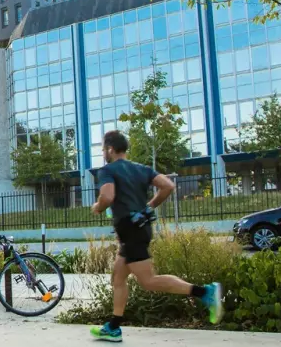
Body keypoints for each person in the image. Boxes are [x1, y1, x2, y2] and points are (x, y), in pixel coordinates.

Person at [88, 130, 223, 342]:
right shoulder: (141, 169)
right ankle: (113, 328)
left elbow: (107, 196)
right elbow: (168, 185)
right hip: (137, 229)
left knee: (149, 281)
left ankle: (205, 292)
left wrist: (98, 206)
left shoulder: (107, 170)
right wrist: (149, 206)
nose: (103, 152)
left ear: (110, 149)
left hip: (131, 231)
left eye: (104, 148)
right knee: (118, 277)